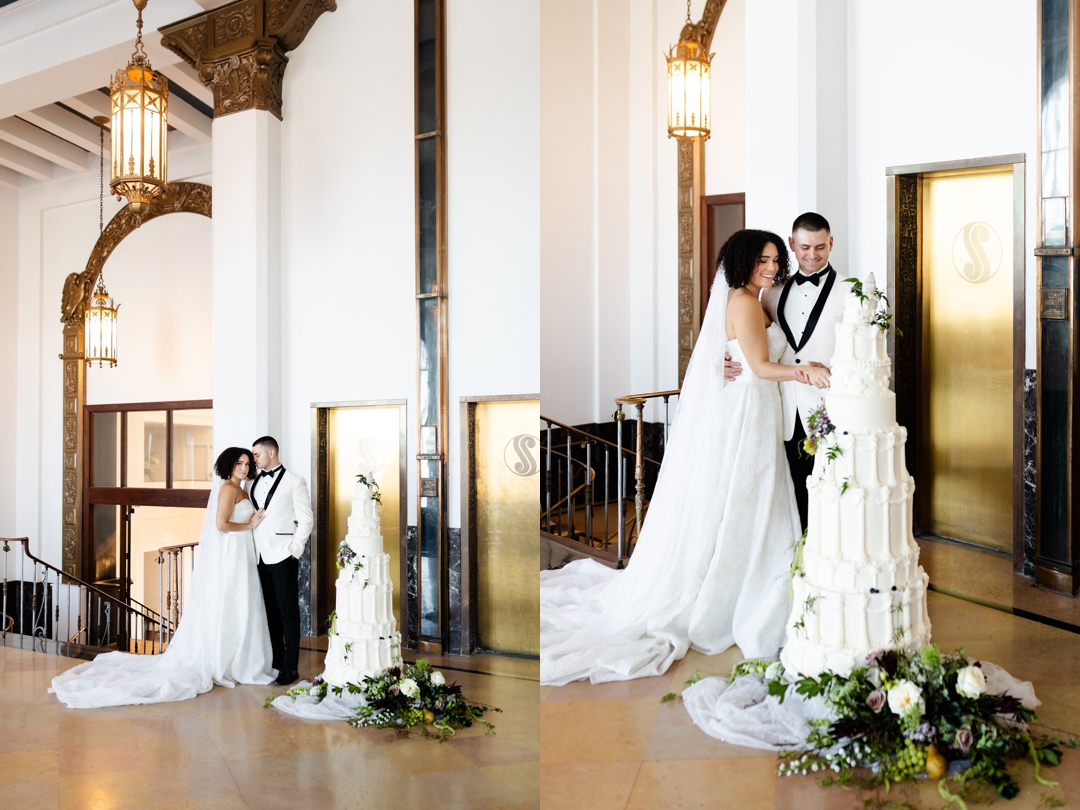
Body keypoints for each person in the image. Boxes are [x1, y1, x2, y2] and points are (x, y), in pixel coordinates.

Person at [540, 229, 829, 686]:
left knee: (743, 502)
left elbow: (726, 354)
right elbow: (760, 367)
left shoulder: (750, 298)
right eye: (763, 261)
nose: (772, 268)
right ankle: (729, 593)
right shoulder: (744, 302)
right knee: (746, 500)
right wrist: (806, 372)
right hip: (749, 414)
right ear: (742, 262)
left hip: (751, 408)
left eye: (775, 260)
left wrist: (726, 362)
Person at [49, 448, 276, 708]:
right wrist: (250, 525)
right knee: (234, 603)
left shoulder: (242, 489)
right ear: (229, 465)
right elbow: (221, 525)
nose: (244, 468)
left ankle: (239, 659)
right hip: (233, 553)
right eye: (239, 463)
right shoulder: (228, 489)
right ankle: (228, 660)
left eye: (247, 463)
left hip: (242, 553)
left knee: (242, 606)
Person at [725, 212, 847, 531]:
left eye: (820, 247)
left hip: (827, 407)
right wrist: (720, 361)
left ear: (831, 243)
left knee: (833, 492)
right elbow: (746, 339)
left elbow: (862, 351)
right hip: (778, 409)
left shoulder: (851, 292)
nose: (812, 254)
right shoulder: (771, 292)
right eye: (805, 247)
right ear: (793, 244)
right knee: (789, 494)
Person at [250, 436, 314, 687]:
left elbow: (306, 520)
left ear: (272, 452)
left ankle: (290, 667)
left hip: (283, 554)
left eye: (256, 454)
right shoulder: (251, 482)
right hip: (258, 555)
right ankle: (276, 662)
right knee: (269, 612)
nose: (254, 458)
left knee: (288, 613)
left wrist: (295, 550)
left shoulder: (295, 481)